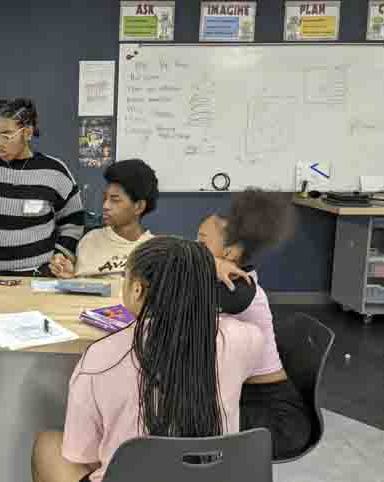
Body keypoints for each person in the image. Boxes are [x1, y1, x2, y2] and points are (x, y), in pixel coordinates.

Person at [32, 237, 264, 482]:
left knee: (48, 445)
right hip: (215, 476)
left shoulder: (100, 358)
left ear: (137, 289)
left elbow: (83, 454)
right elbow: (252, 317)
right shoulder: (242, 340)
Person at [197, 189, 312, 460]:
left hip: (277, 421)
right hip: (249, 401)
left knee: (183, 421)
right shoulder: (229, 282)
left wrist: (208, 261)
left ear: (230, 252)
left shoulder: (241, 292)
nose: (195, 249)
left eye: (201, 244)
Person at [0, 98, 84, 276]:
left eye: (5, 135)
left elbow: (73, 221)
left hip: (37, 277)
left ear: (27, 133)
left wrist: (61, 256)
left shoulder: (54, 171)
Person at [50, 159, 157, 279]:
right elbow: (82, 291)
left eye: (115, 200)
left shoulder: (156, 251)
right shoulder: (90, 241)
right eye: (105, 198)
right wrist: (71, 278)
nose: (105, 206)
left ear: (139, 206)